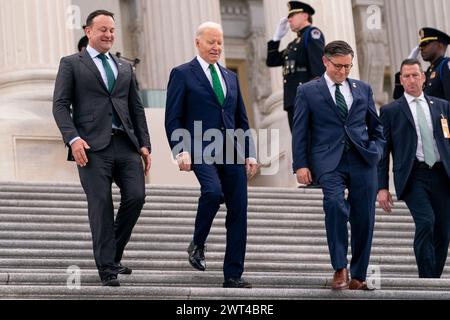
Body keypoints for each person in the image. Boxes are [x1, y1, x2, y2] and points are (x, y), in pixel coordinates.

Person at [53, 10, 152, 286]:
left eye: (112, 30)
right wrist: (73, 139)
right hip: (91, 147)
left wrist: (144, 143)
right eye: (102, 30)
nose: (108, 35)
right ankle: (107, 268)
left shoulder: (124, 67)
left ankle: (113, 254)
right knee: (101, 205)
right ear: (88, 31)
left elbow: (136, 108)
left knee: (136, 196)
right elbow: (60, 105)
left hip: (125, 144)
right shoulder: (72, 63)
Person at [165, 22, 258, 288]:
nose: (216, 47)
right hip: (198, 145)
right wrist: (180, 149)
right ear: (198, 42)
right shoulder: (182, 74)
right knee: (213, 191)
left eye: (219, 42)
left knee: (238, 211)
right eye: (211, 42)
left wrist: (249, 153)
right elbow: (173, 118)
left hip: (230, 150)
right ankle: (198, 242)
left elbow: (241, 119)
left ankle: (233, 275)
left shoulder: (230, 76)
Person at [292, 40, 385, 290]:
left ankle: (359, 275)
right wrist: (300, 164)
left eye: (348, 66)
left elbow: (376, 127)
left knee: (364, 216)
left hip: (363, 159)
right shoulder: (308, 91)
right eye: (338, 66)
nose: (343, 71)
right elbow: (300, 131)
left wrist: (376, 150)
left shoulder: (363, 89)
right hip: (328, 161)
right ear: (325, 61)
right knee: (334, 205)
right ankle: (339, 268)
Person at [378, 59, 450, 278]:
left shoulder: (442, 106)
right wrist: (381, 187)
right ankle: (426, 279)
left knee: (443, 232)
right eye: (406, 76)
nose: (411, 80)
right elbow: (383, 152)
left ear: (423, 77)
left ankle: (433, 279)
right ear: (401, 80)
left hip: (441, 174)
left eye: (415, 75)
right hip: (413, 175)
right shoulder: (391, 111)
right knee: (426, 221)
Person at [266, 1, 325, 132]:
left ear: (305, 16)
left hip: (306, 99)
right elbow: (272, 60)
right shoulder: (293, 44)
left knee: (310, 142)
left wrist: (315, 98)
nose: (289, 19)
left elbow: (318, 69)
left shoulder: (312, 34)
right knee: (299, 144)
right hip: (293, 100)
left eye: (293, 15)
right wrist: (276, 38)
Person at [393, 27, 450, 102]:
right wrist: (406, 67)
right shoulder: (429, 72)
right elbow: (399, 99)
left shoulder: (446, 66)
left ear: (440, 45)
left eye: (425, 44)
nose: (421, 48)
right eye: (420, 46)